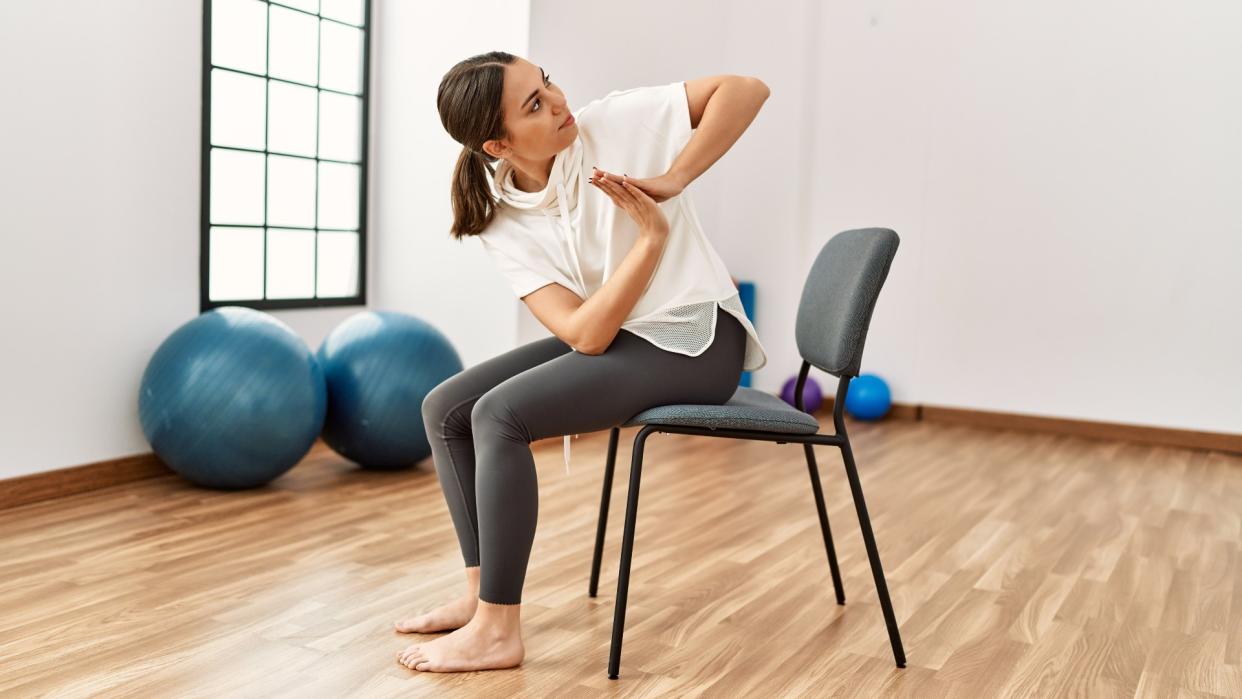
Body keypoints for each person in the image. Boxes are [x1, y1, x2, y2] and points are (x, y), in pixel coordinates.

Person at [396, 51, 770, 673]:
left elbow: (747, 88)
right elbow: (583, 333)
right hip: (623, 336)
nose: (559, 101)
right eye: (534, 105)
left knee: (499, 415)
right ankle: (478, 591)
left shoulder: (614, 123)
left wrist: (676, 179)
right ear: (497, 144)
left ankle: (497, 629)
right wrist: (650, 241)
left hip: (698, 339)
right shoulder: (499, 216)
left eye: (546, 83)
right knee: (447, 409)